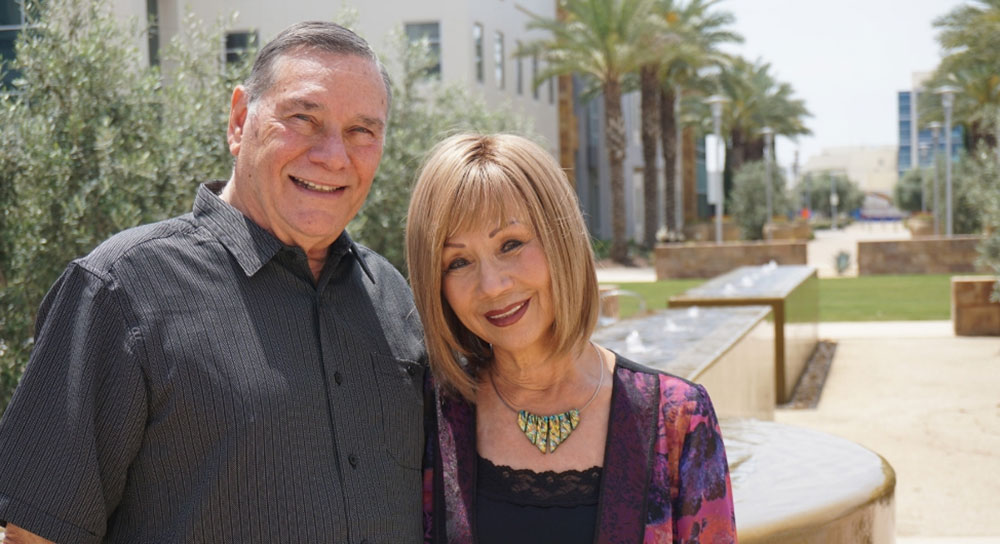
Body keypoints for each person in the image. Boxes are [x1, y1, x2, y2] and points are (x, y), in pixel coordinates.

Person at [0, 21, 425, 543]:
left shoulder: (394, 298)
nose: (333, 156)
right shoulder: (119, 291)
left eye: (362, 130)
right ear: (240, 120)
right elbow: (32, 536)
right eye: (303, 118)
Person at [406, 133, 736, 544]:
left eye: (510, 244)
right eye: (458, 262)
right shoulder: (427, 416)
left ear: (561, 238)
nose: (491, 286)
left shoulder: (679, 417)